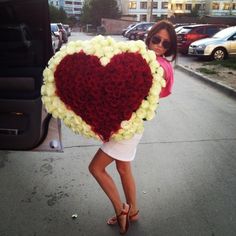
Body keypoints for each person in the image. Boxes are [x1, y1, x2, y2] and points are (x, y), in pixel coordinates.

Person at [88, 20, 177, 235]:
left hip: (127, 128)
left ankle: (121, 210)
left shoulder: (160, 66)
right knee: (123, 168)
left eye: (165, 44)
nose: (159, 46)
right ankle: (134, 211)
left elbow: (152, 85)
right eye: (156, 39)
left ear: (169, 48)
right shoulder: (138, 57)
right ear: (150, 37)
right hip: (126, 125)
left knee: (96, 168)